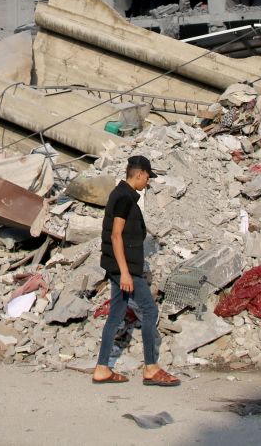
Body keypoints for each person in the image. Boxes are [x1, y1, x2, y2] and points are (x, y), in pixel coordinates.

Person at [91, 155, 180, 386]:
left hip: (118, 266)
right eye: (147, 177)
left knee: (116, 315)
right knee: (150, 311)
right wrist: (125, 273)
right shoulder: (123, 198)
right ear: (139, 174)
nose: (148, 182)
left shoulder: (124, 195)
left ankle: (102, 368)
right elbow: (116, 235)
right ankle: (151, 367)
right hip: (124, 268)